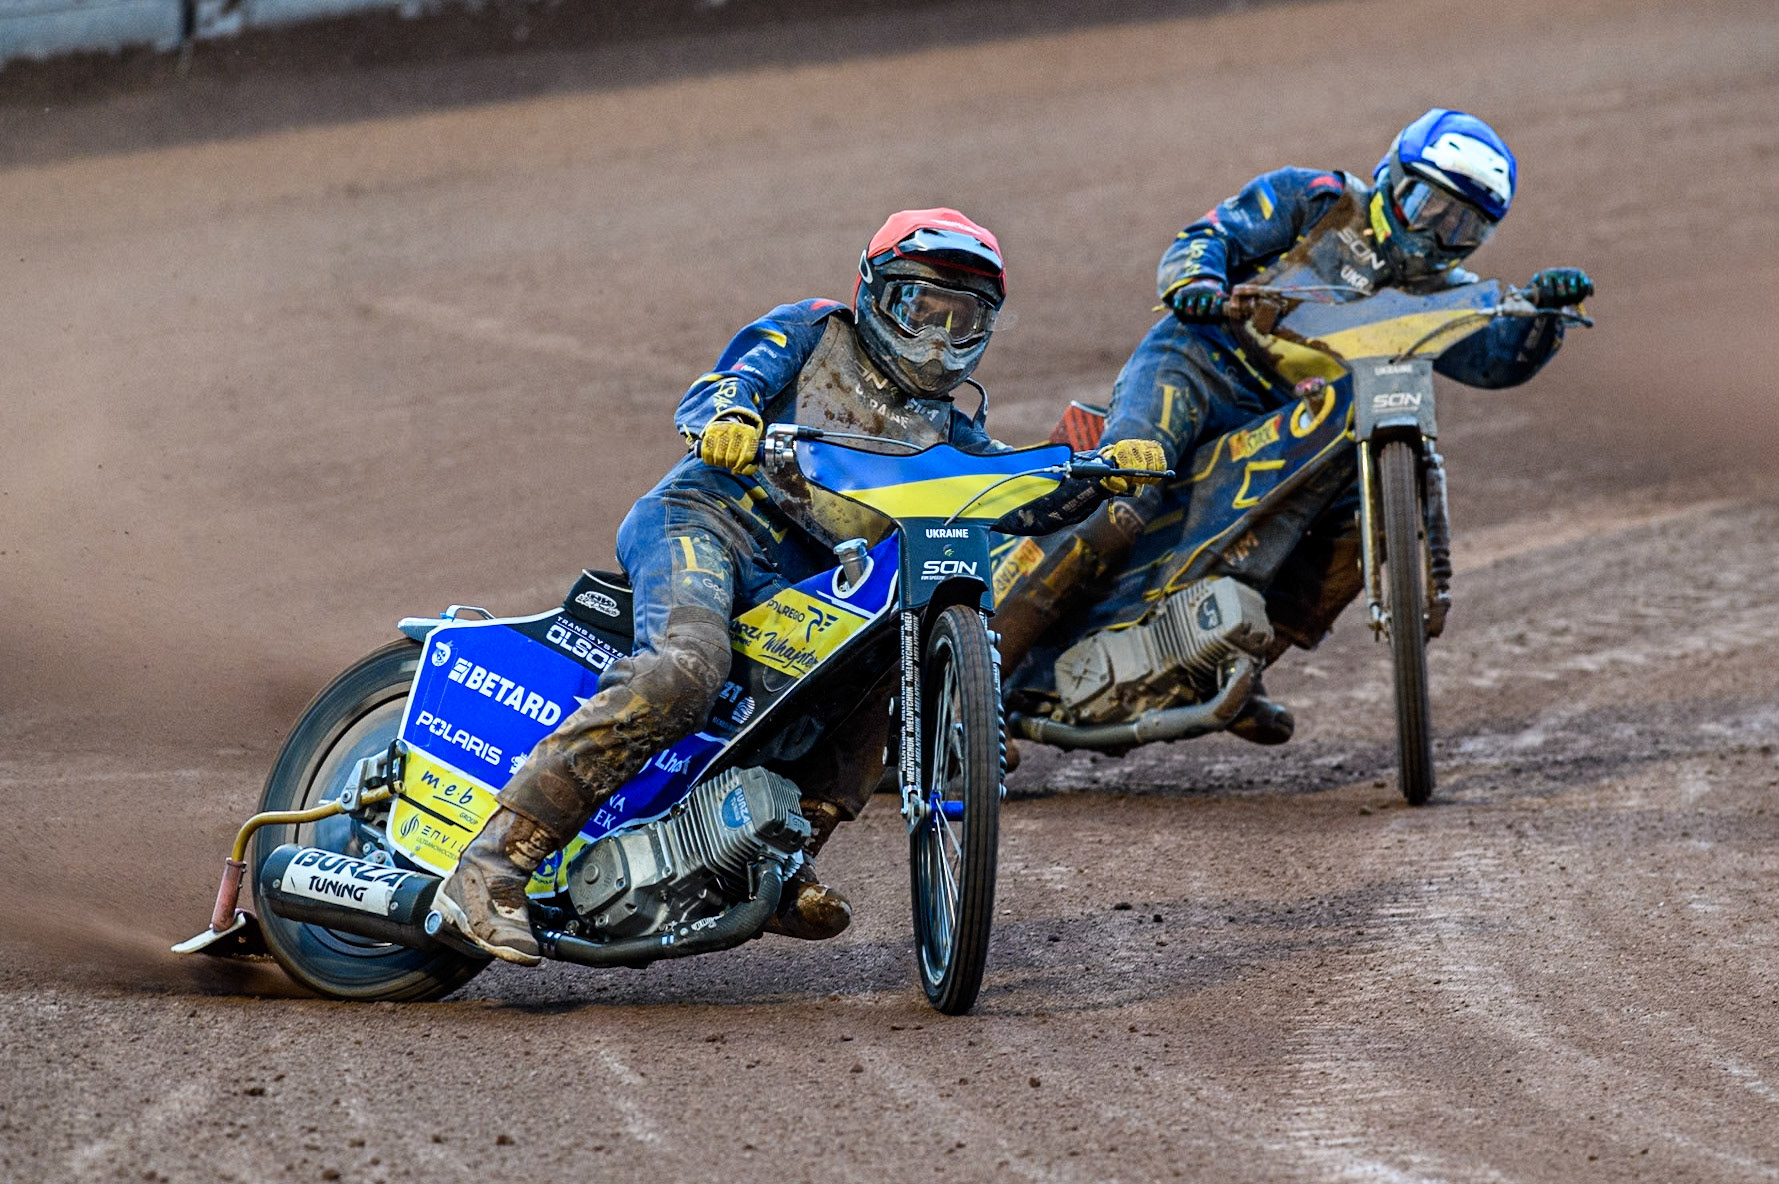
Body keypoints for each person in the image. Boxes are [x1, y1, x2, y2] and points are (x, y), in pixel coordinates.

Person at [434, 208, 1165, 964]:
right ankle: (493, 864)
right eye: (922, 307)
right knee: (684, 668)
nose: (939, 337)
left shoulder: (949, 430)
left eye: (962, 317)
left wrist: (1104, 471)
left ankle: (779, 860)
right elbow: (730, 380)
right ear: (875, 293)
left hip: (811, 583)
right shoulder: (815, 331)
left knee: (885, 666)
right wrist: (730, 414)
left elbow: (1020, 498)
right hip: (710, 521)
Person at [992, 108, 1594, 745]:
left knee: (1356, 532)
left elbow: (1495, 360)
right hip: (1203, 363)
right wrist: (1197, 280)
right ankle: (978, 685)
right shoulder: (1317, 201)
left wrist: (1545, 316)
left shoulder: (1440, 295)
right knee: (1123, 487)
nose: (1438, 236)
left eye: (1464, 228)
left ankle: (1230, 669)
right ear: (1392, 178)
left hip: (1302, 419)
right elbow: (1209, 236)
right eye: (1429, 207)